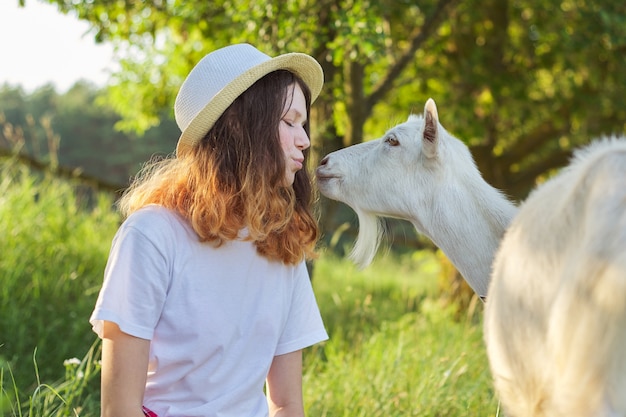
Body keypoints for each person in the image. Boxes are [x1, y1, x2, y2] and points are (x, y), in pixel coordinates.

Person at [89, 43, 328, 417]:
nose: (305, 140)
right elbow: (119, 408)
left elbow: (285, 404)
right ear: (237, 124)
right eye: (288, 121)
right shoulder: (153, 235)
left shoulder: (284, 246)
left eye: (304, 124)